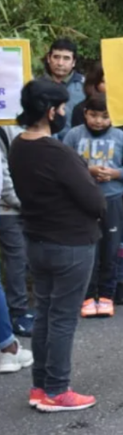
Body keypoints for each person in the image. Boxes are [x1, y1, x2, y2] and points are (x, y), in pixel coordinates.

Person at [9, 80, 105, 411]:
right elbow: (95, 203)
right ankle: (57, 389)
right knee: (62, 318)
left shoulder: (19, 145)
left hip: (37, 238)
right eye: (62, 108)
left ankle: (40, 386)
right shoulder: (58, 152)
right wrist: (87, 175)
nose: (65, 113)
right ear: (50, 111)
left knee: (46, 314)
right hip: (71, 242)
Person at [63, 94, 123, 315]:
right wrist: (87, 171)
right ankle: (87, 296)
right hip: (81, 201)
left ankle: (107, 294)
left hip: (112, 200)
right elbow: (63, 165)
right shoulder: (73, 135)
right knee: (87, 249)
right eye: (93, 115)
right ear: (85, 113)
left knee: (110, 248)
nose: (98, 121)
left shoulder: (120, 137)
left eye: (105, 116)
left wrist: (116, 173)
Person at [0, 123, 32, 337]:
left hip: (11, 205)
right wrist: (21, 202)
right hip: (8, 207)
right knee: (17, 257)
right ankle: (17, 312)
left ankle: (17, 311)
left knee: (18, 258)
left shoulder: (12, 125)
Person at [39, 39, 86, 127]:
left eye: (66, 58)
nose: (60, 63)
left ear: (74, 62)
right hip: (45, 138)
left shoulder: (85, 86)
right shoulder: (37, 86)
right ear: (49, 58)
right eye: (56, 57)